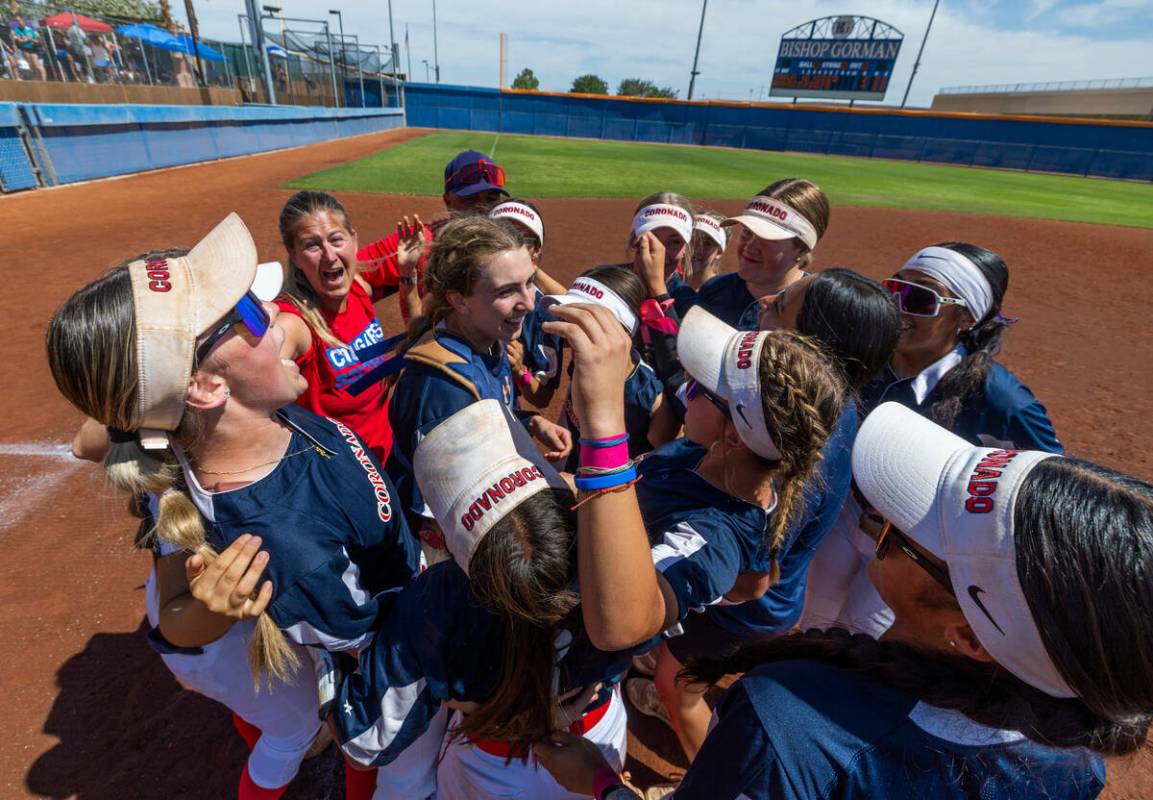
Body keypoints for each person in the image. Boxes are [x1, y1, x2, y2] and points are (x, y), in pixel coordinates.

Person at [535, 402, 1153, 799]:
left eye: (904, 533)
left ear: (969, 636)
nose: (881, 518)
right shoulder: (1075, 761)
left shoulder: (790, 725)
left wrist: (604, 787)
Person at [45, 214, 424, 800]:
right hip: (231, 634)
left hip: (223, 618)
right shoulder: (284, 543)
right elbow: (365, 647)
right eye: (249, 312)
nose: (275, 313)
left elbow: (96, 438)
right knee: (293, 726)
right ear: (203, 388)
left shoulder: (214, 431)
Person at [328, 303, 656, 799]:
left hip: (494, 771)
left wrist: (330, 657)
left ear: (461, 558)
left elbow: (365, 739)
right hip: (595, 750)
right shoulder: (618, 568)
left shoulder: (438, 598)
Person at [617, 306, 845, 761]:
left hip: (733, 615)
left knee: (674, 687)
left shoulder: (720, 530)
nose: (685, 389)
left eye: (701, 388)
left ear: (737, 436)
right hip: (717, 600)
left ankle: (702, 780)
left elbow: (751, 584)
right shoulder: (700, 451)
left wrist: (602, 428)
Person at [387, 215, 572, 559]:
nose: (529, 303)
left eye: (529, 282)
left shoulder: (488, 336)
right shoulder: (443, 385)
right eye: (506, 291)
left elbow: (489, 410)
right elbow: (436, 505)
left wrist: (529, 421)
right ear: (459, 301)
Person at [863, 242, 1062, 452]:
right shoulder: (859, 360)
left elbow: (1051, 479)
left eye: (920, 299)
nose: (898, 307)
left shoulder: (1004, 404)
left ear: (967, 318)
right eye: (893, 290)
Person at [275, 191, 402, 462]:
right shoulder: (295, 322)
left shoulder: (357, 288)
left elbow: (393, 255)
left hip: (388, 456)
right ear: (294, 255)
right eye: (312, 245)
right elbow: (250, 377)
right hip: (345, 477)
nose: (329, 255)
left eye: (336, 239)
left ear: (353, 240)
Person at [357, 149, 510, 323]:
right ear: (447, 201)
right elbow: (352, 271)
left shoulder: (510, 243)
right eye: (470, 199)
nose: (482, 208)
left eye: (491, 198)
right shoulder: (423, 243)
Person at [544, 265, 665, 471]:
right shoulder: (584, 357)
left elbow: (660, 474)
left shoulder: (653, 400)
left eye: (583, 321)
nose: (568, 326)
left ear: (621, 331)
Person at [696, 179, 830, 330]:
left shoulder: (820, 313)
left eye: (767, 237)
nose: (750, 245)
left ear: (802, 248)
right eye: (747, 232)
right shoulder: (715, 289)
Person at [490, 198, 567, 409]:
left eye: (524, 238)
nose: (512, 244)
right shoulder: (459, 288)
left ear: (537, 250)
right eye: (502, 232)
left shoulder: (543, 315)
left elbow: (542, 398)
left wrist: (519, 370)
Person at [683, 211, 728, 291]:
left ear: (719, 252)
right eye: (691, 239)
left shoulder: (724, 292)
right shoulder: (668, 282)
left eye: (706, 243)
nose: (695, 248)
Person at [9, 15, 46, 80]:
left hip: (33, 48)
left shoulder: (31, 30)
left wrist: (31, 40)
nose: (18, 22)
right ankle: (37, 78)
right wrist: (27, 39)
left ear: (23, 21)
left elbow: (38, 41)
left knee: (37, 65)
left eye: (19, 20)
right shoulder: (16, 30)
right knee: (31, 65)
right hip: (24, 49)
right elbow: (19, 40)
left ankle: (44, 80)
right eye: (16, 21)